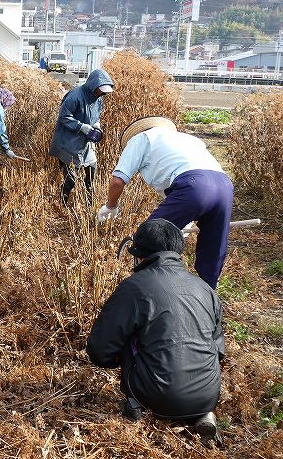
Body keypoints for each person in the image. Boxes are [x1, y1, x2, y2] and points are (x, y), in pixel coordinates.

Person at [87, 218, 225, 445]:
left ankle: (136, 405)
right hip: (208, 395)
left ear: (141, 254)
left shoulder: (134, 287)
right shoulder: (205, 289)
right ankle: (202, 416)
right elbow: (218, 350)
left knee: (132, 334)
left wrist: (120, 361)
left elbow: (99, 348)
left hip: (157, 395)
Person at [97, 116, 234, 289]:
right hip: (224, 186)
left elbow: (117, 181)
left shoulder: (139, 139)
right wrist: (187, 217)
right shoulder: (187, 139)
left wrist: (110, 207)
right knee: (212, 251)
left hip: (192, 186)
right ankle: (208, 300)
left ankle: (146, 290)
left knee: (148, 237)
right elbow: (193, 176)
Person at [49, 68, 114, 205]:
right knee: (71, 179)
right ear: (93, 85)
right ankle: (63, 203)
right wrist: (81, 127)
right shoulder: (75, 95)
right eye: (100, 89)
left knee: (91, 172)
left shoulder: (98, 99)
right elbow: (64, 117)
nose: (102, 93)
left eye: (104, 91)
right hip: (69, 142)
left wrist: (96, 125)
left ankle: (89, 203)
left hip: (87, 143)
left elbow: (96, 116)